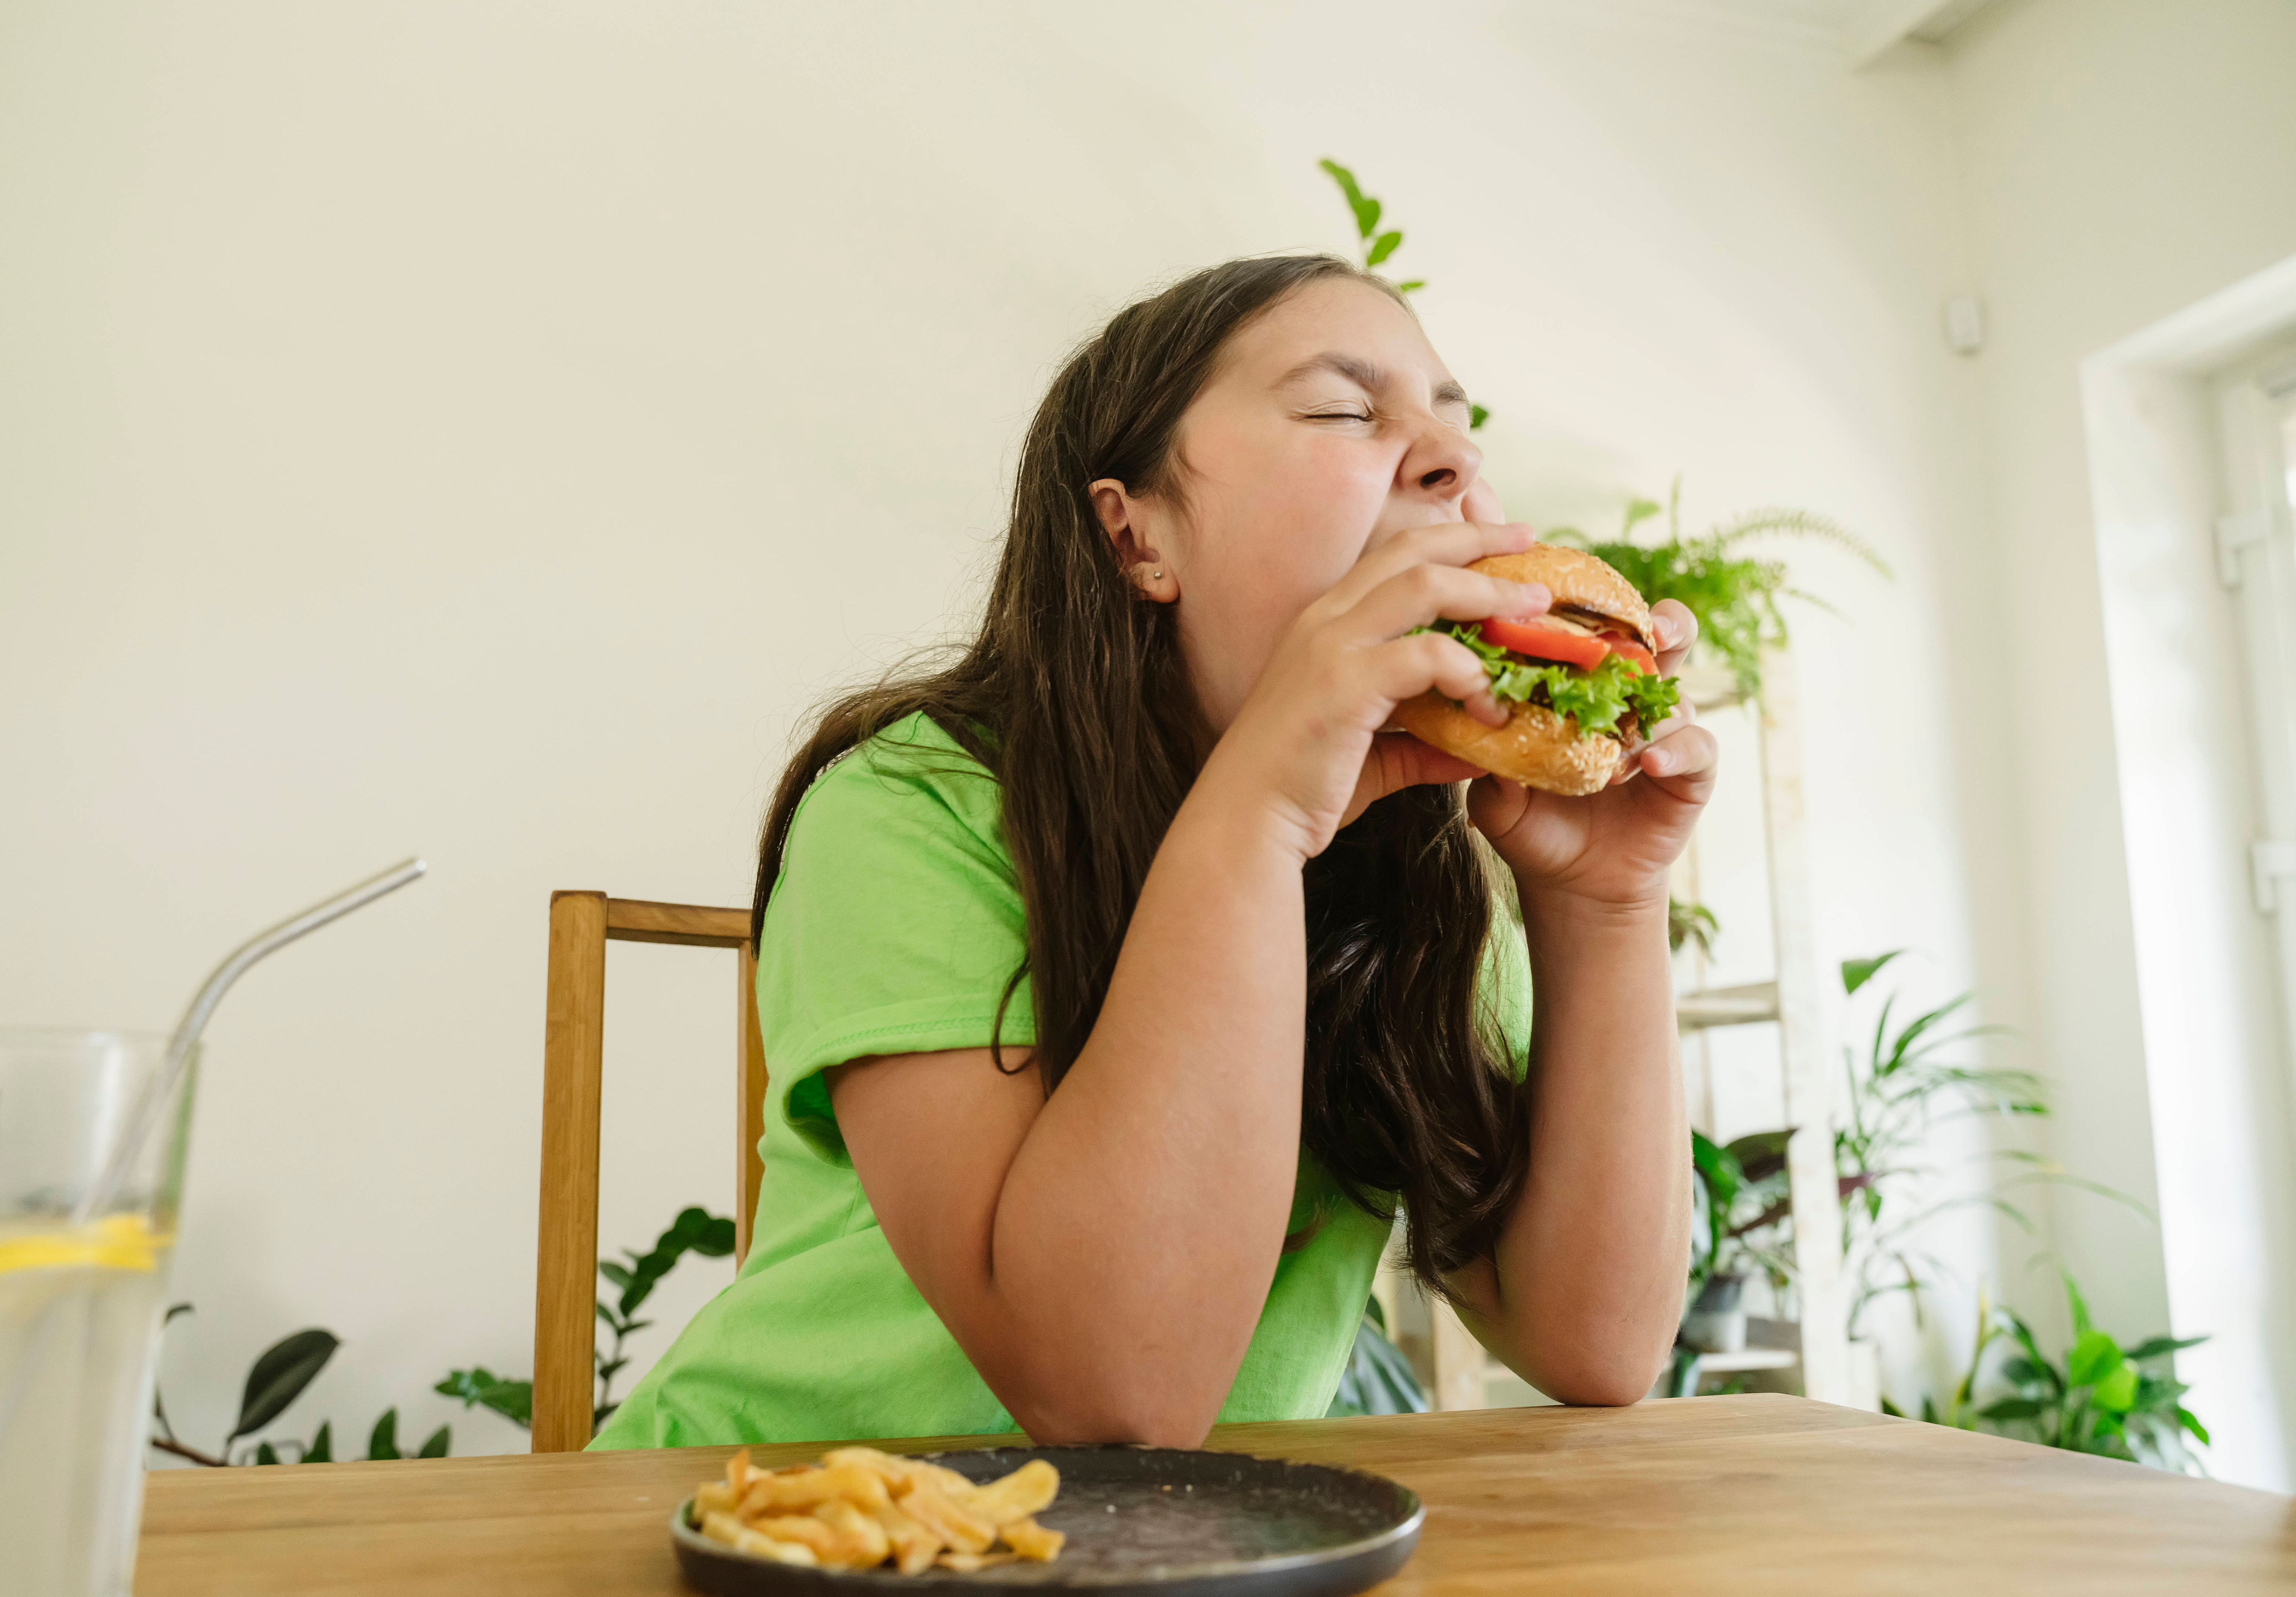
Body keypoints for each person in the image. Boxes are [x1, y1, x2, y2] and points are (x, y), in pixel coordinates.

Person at [591, 254, 1712, 1450]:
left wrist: (1606, 907)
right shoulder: (909, 808)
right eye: (1346, 409)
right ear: (1136, 536)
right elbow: (1109, 1397)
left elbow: (1593, 1344)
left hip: (1185, 1553)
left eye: (1456, 420)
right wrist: (1264, 808)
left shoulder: (1418, 865)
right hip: (769, 1526)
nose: (1454, 459)